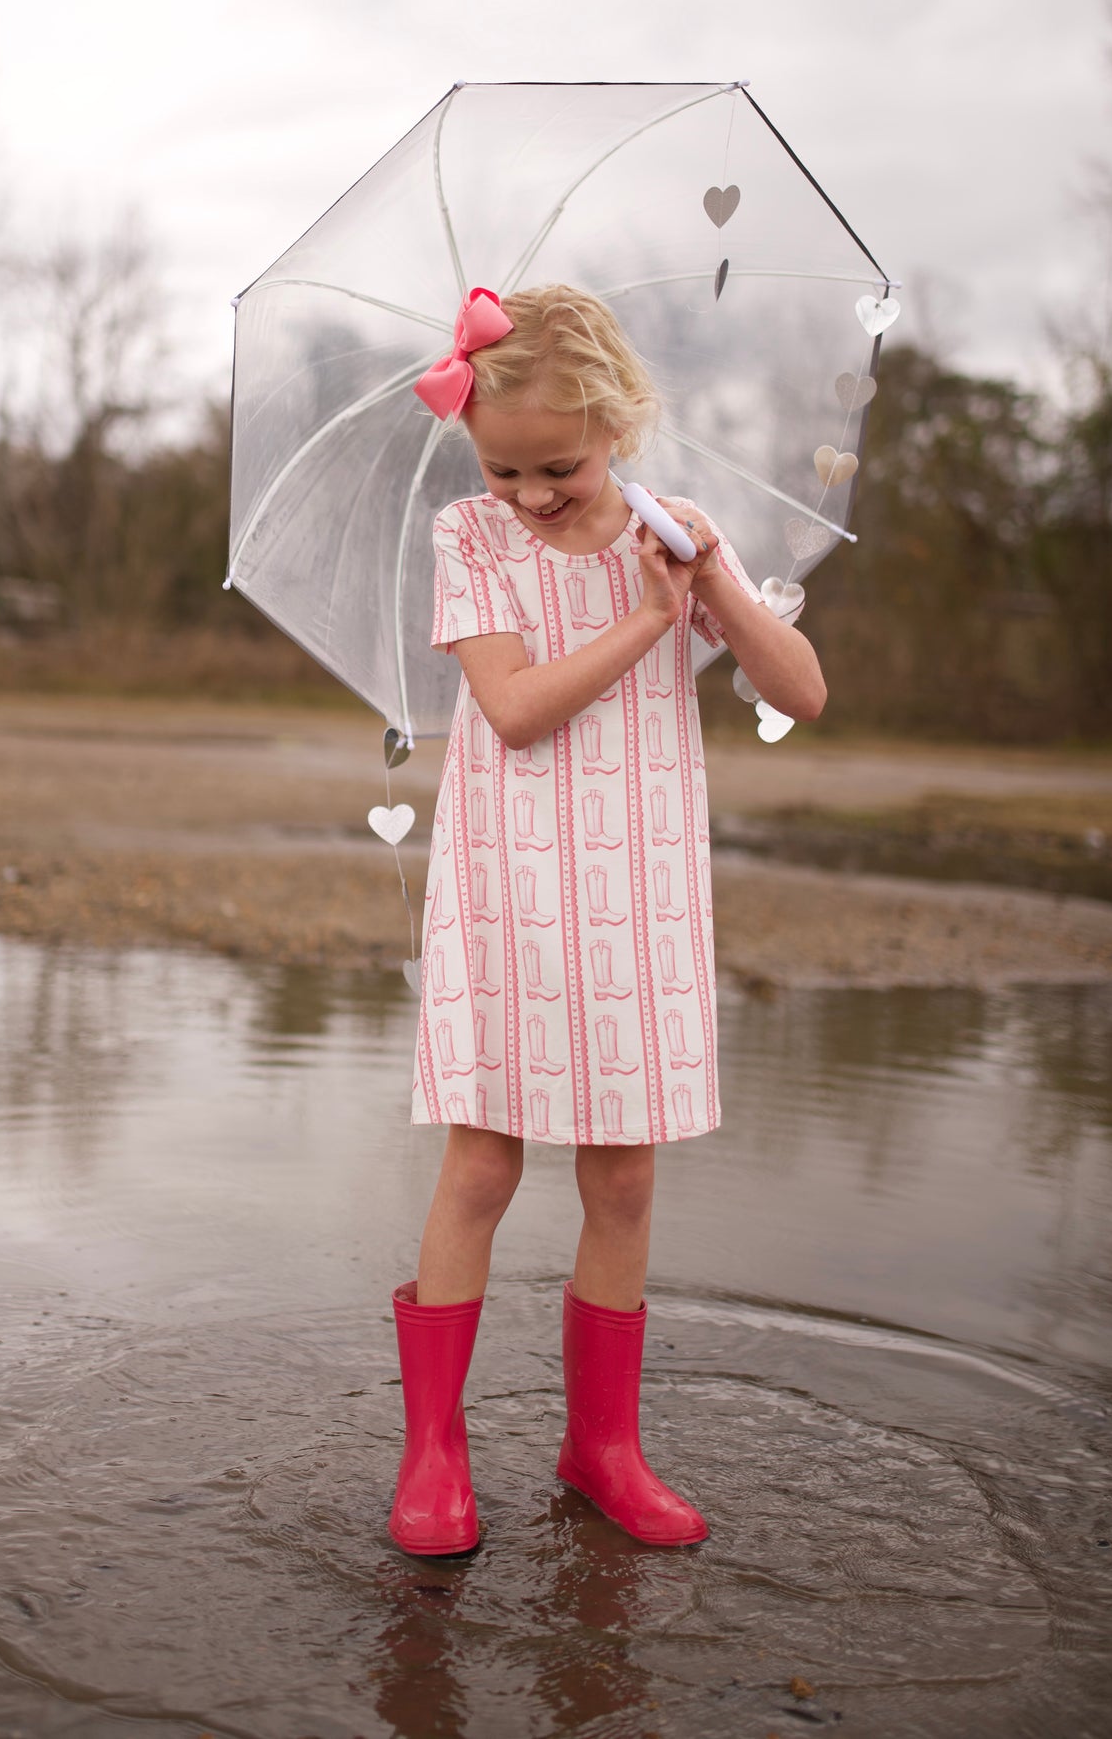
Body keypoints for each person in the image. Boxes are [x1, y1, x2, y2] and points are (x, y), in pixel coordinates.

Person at [390, 282, 827, 1559]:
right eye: (505, 465)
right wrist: (647, 622)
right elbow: (513, 710)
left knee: (623, 1174)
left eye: (559, 466)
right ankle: (434, 1453)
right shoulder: (468, 538)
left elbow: (797, 692)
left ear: (618, 426)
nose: (531, 491)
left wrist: (709, 591)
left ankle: (602, 1448)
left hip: (635, 886)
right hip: (508, 879)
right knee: (481, 1162)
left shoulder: (672, 534)